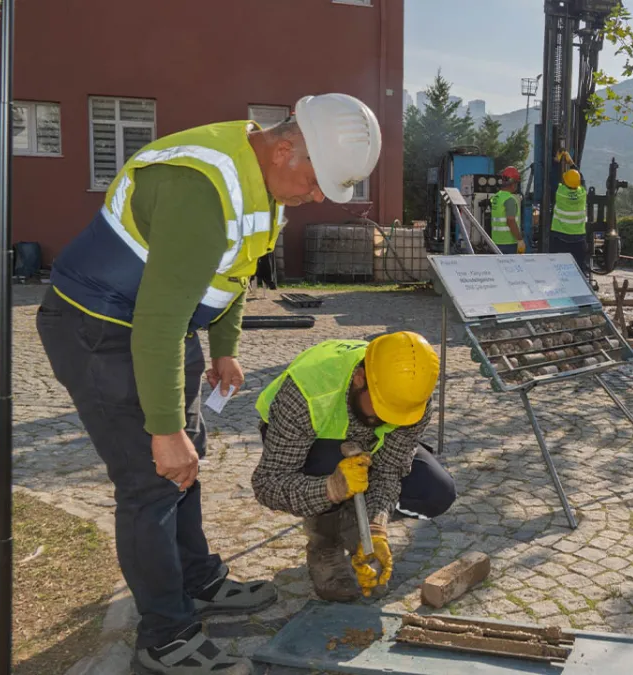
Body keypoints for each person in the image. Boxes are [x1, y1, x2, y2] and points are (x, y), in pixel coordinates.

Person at [36, 93, 382, 675]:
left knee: (185, 469)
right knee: (152, 481)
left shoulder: (265, 184)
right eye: (316, 180)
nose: (318, 196)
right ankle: (165, 633)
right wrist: (165, 428)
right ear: (285, 146)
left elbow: (234, 272)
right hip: (103, 330)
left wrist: (223, 350)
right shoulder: (200, 187)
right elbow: (158, 321)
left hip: (162, 329)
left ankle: (198, 578)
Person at [251, 333, 456, 602]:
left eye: (395, 413)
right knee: (327, 464)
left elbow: (389, 470)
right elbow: (268, 484)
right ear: (360, 378)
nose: (386, 419)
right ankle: (325, 542)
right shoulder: (306, 391)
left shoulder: (411, 399)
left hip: (363, 447)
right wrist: (331, 488)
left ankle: (354, 523)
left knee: (435, 492)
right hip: (308, 444)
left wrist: (375, 529)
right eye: (381, 407)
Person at [550, 168, 591, 278]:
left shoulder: (560, 193)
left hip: (560, 237)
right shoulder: (582, 193)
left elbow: (554, 180)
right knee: (578, 270)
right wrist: (573, 164)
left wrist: (557, 161)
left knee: (558, 268)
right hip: (578, 238)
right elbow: (582, 182)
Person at [489, 166, 526, 254]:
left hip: (496, 242)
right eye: (516, 183)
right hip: (508, 243)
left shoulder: (496, 197)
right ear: (513, 183)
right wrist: (520, 239)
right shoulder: (509, 200)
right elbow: (510, 221)